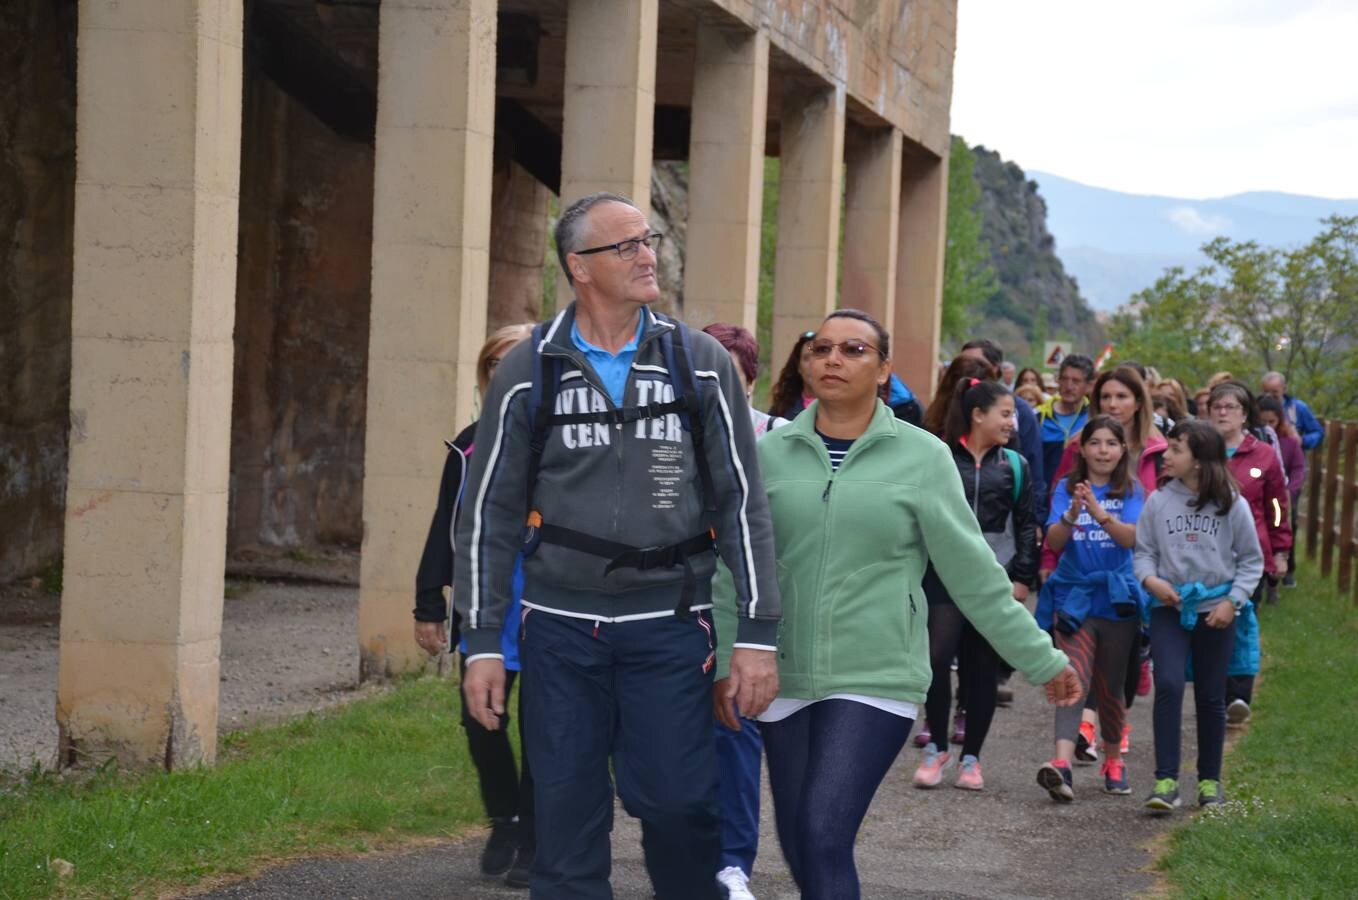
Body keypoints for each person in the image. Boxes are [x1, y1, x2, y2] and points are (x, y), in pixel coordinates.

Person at [454, 192, 781, 900]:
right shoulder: (528, 370)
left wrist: (756, 633)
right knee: (567, 824)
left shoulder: (699, 364)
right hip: (560, 633)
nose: (647, 254)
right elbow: (487, 514)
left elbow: (743, 502)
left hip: (669, 627)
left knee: (680, 806)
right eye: (626, 245)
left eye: (649, 238)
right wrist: (482, 642)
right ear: (579, 266)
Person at [716, 309, 1078, 900]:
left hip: (875, 670)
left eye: (854, 350)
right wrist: (727, 654)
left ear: (884, 370)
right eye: (822, 348)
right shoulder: (769, 453)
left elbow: (973, 575)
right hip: (781, 676)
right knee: (800, 840)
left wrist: (1040, 659)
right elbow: (735, 568)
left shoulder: (924, 458)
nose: (834, 359)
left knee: (824, 831)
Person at [412, 323, 535, 887]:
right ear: (488, 377)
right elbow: (447, 521)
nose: (508, 375)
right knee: (479, 720)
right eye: (497, 366)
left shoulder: (564, 437)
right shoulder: (469, 442)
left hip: (549, 602)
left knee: (546, 727)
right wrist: (428, 602)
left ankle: (537, 834)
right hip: (483, 603)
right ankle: (504, 818)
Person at [912, 378, 1038, 792]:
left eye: (1013, 414)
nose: (1012, 421)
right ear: (977, 415)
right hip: (943, 575)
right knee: (935, 660)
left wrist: (1022, 577)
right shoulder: (942, 458)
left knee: (981, 669)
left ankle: (972, 759)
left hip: (994, 578)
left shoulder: (1015, 465)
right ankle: (937, 749)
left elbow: (1025, 525)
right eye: (1005, 413)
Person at [1135, 421, 1264, 812]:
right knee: (1170, 685)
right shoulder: (1159, 501)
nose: (1166, 456)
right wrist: (1151, 582)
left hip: (1217, 611)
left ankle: (1210, 781)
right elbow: (1143, 553)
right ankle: (1166, 781)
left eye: (1176, 449)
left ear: (1200, 459)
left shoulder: (1232, 503)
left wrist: (1234, 601)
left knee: (1211, 696)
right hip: (1169, 610)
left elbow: (1251, 562)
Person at [702, 322, 783, 900]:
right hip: (667, 610)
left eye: (727, 377)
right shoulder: (665, 436)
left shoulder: (777, 442)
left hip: (742, 613)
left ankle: (732, 863)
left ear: (750, 383)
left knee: (734, 732)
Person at [1034, 417, 1146, 801]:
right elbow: (1054, 540)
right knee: (1070, 677)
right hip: (1075, 598)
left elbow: (1131, 538)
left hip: (1116, 599)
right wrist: (1071, 514)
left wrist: (1098, 512)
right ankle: (1061, 765)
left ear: (1122, 450)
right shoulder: (1068, 487)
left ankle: (1113, 759)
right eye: (1094, 443)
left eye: (1111, 444)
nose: (1102, 451)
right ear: (1081, 450)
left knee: (1110, 686)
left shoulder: (1132, 490)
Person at [1207, 381, 1291, 726]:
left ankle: (1237, 696)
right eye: (1217, 407)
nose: (1223, 413)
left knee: (1241, 620)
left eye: (1231, 407)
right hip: (1205, 554)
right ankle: (1212, 693)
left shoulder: (1263, 456)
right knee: (1209, 622)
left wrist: (1281, 549)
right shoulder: (1199, 451)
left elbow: (1277, 506)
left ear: (1244, 414)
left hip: (1251, 555)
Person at [961, 339, 1048, 522]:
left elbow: (1033, 468)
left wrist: (1036, 519)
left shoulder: (1021, 411)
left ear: (994, 369)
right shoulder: (946, 410)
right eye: (962, 362)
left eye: (975, 362)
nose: (966, 368)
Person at [1257, 394, 1306, 590]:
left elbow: (1298, 468)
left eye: (1272, 421)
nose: (1268, 425)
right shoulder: (1255, 439)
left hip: (1279, 497)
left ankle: (1280, 572)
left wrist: (1290, 490)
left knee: (1281, 525)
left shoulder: (1289, 442)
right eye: (1263, 421)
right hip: (1259, 495)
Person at [1035, 354, 1094, 487]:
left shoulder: (1094, 417)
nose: (1069, 386)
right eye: (1064, 379)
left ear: (1089, 386)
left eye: (1076, 381)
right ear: (1058, 381)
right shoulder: (1039, 417)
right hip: (1046, 495)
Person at [1260, 372, 1324, 451]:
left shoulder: (1299, 407)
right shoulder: (1256, 408)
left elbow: (1317, 432)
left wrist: (1302, 441)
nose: (1270, 395)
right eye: (1266, 391)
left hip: (1292, 458)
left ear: (1284, 389)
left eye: (1274, 391)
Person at [768, 331, 817, 420]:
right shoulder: (781, 410)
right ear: (799, 367)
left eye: (816, 357)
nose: (812, 364)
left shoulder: (841, 408)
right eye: (806, 358)